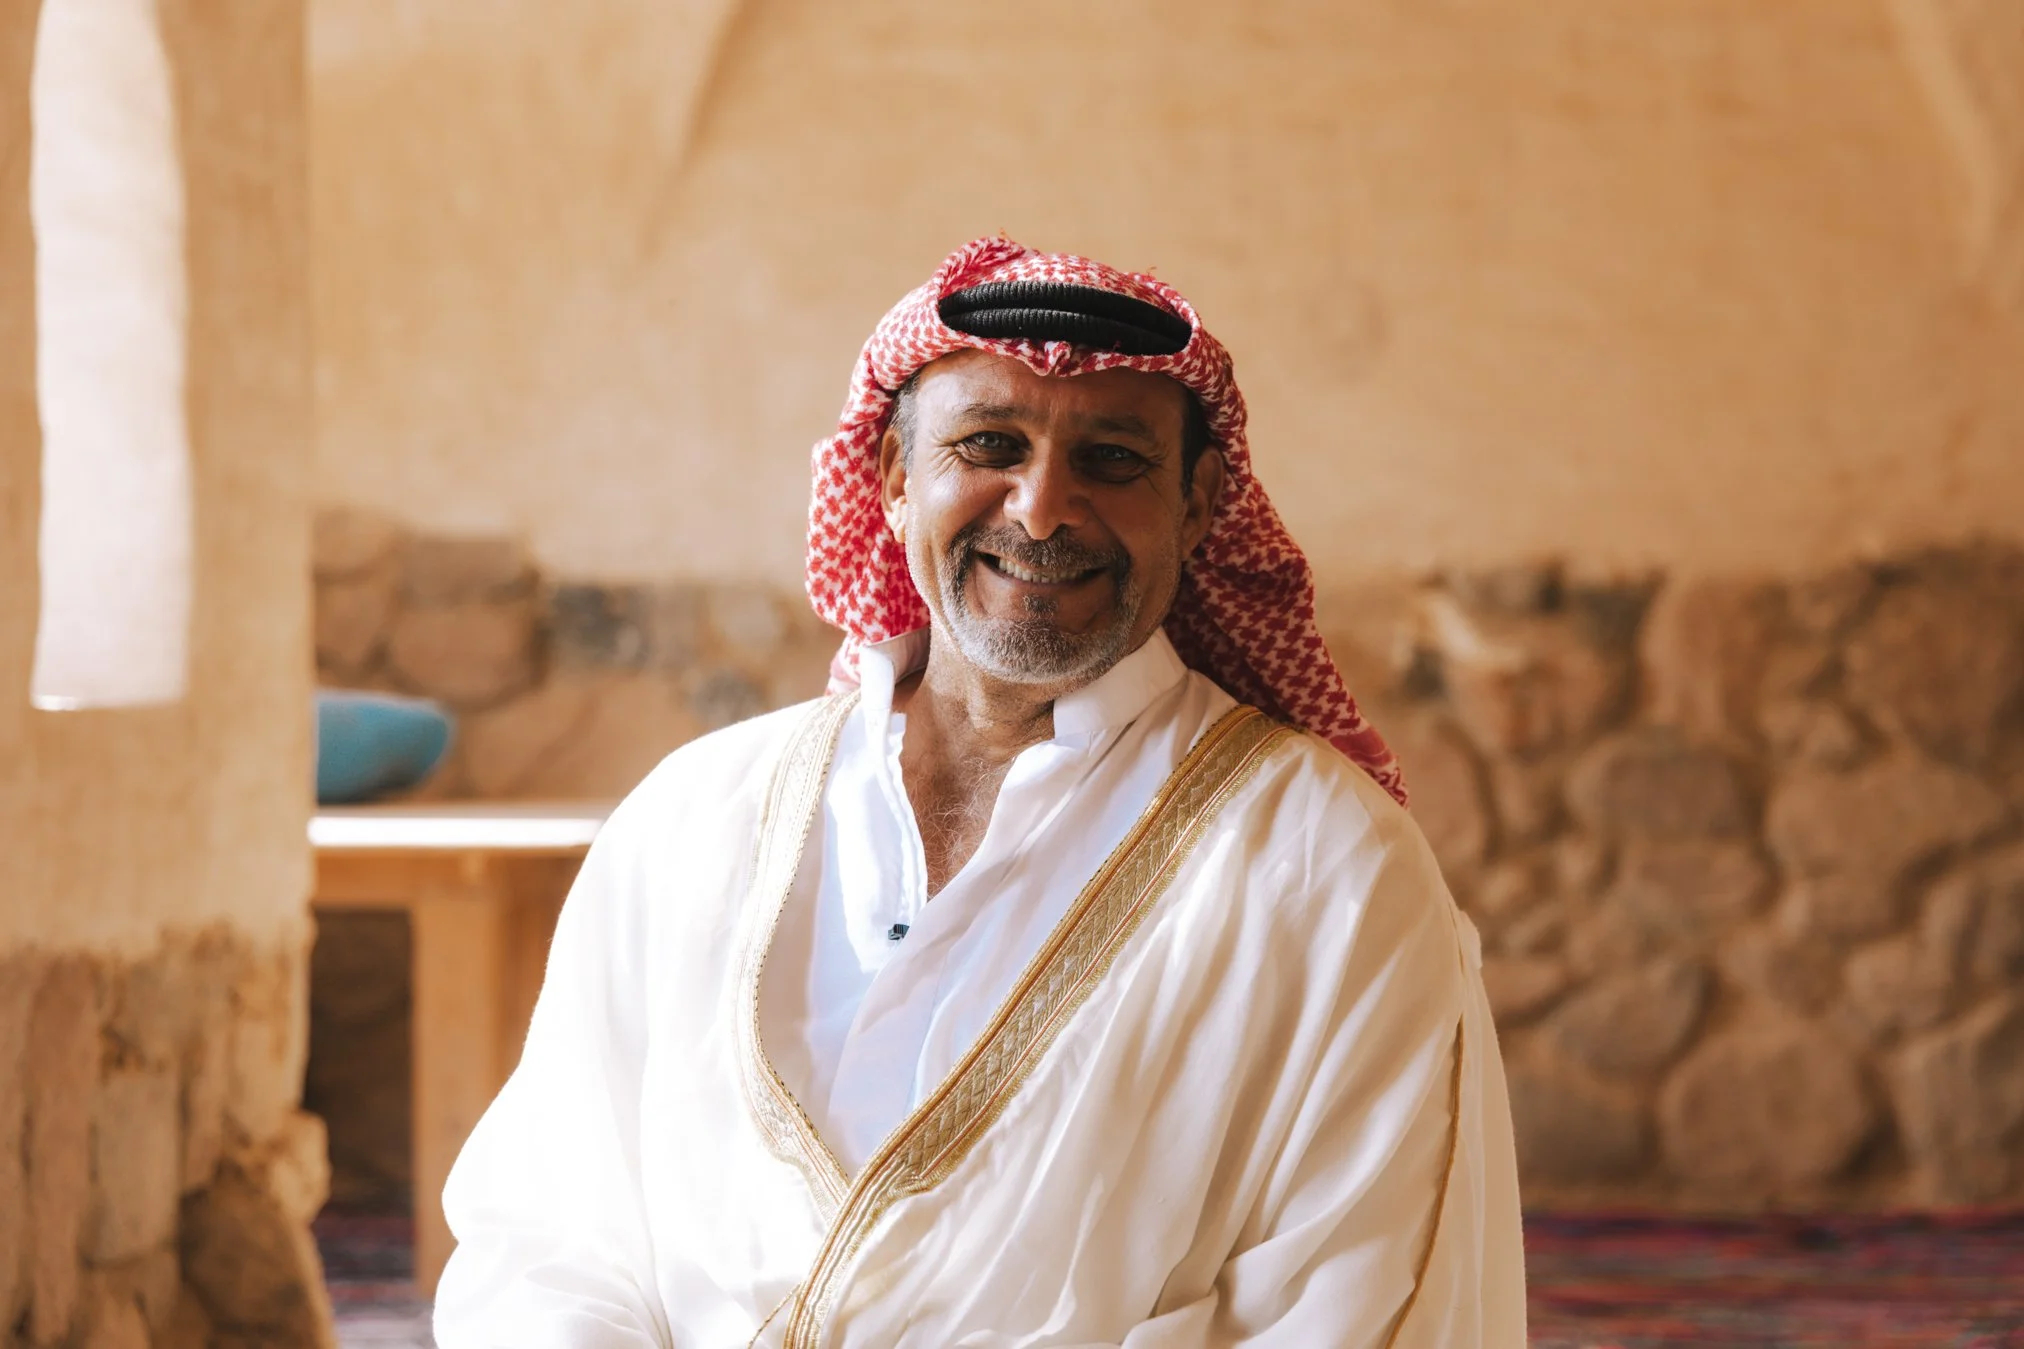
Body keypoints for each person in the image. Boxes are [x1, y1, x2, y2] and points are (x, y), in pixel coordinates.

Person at [434, 237, 1526, 1348]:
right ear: (895, 481)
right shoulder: (695, 816)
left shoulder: (1326, 867)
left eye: (1110, 459)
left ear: (1198, 504)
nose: (1042, 509)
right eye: (988, 444)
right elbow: (553, 1233)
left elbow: (1355, 1309)